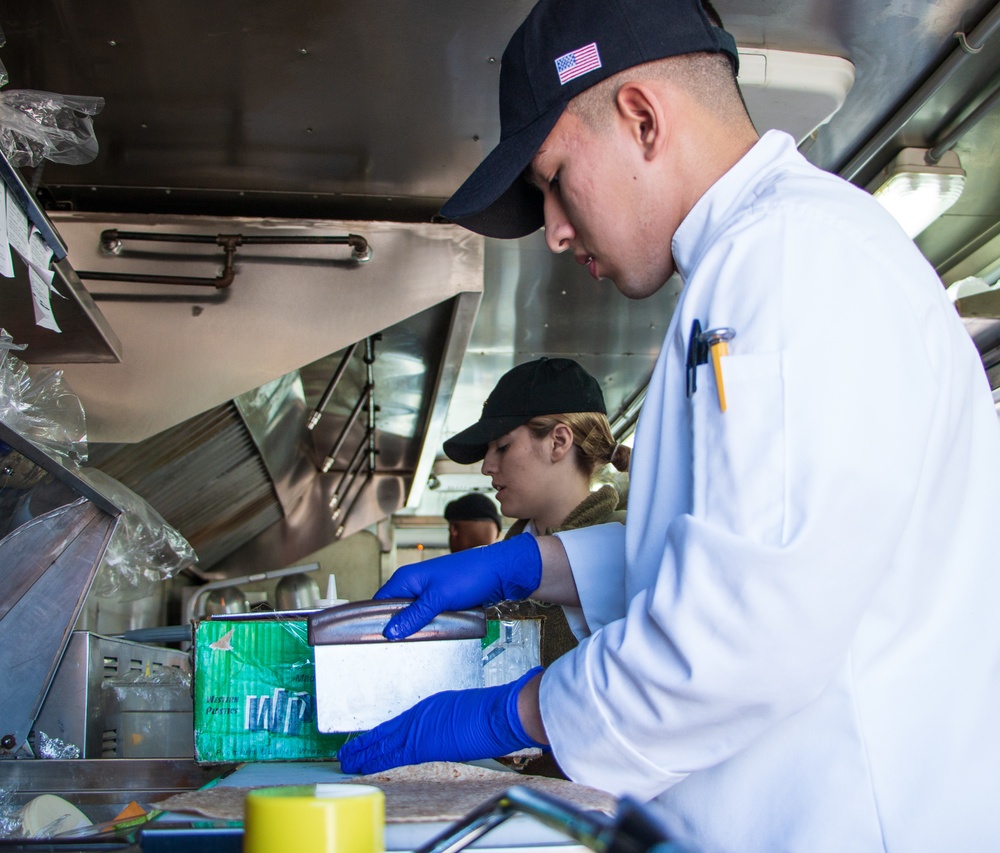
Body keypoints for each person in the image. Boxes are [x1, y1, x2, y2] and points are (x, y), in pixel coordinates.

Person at [338, 0, 1000, 850]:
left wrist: (521, 709)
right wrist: (532, 562)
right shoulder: (759, 260)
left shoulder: (789, 260)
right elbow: (738, 542)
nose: (555, 229)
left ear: (642, 119)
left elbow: (746, 629)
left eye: (554, 182)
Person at [443, 356, 629, 669]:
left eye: (502, 447)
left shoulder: (629, 550)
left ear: (558, 442)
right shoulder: (501, 562)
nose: (487, 467)